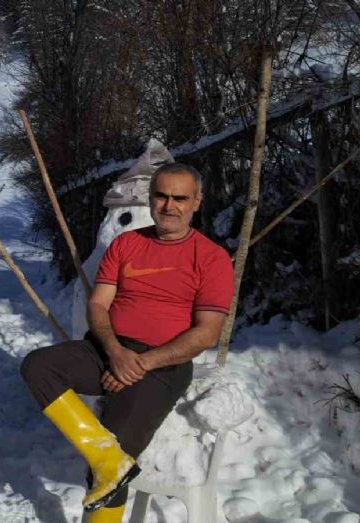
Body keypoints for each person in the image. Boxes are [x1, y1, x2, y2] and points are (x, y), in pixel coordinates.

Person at [20, 163, 234, 522]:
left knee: (119, 451)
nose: (169, 206)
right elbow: (99, 305)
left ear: (196, 202)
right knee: (38, 366)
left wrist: (139, 364)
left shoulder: (211, 258)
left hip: (163, 366)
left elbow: (206, 333)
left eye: (180, 198)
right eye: (161, 196)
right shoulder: (127, 243)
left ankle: (110, 462)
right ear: (150, 198)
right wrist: (115, 352)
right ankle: (105, 457)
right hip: (107, 349)